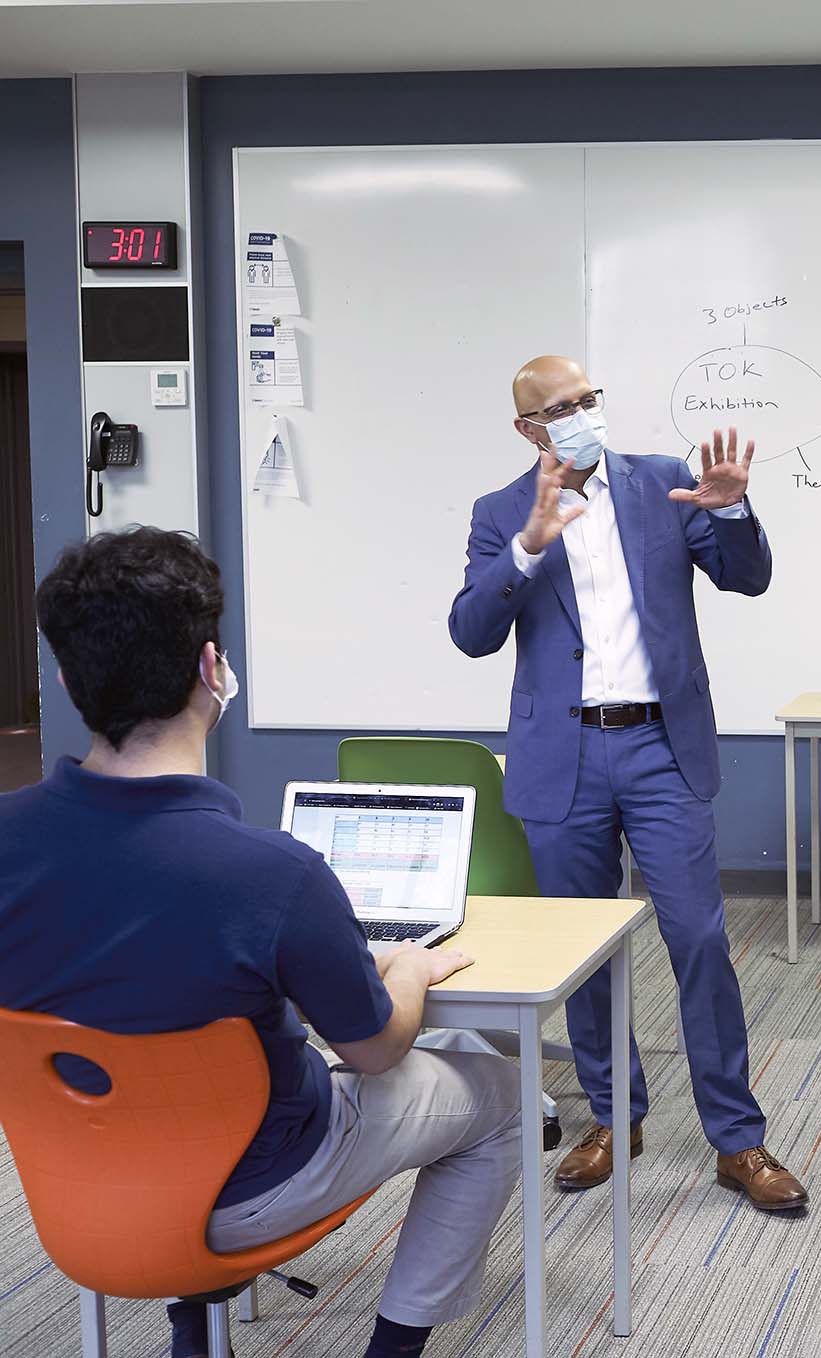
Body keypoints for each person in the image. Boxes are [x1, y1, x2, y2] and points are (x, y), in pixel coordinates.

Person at [1, 528, 519, 1358]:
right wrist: (413, 967)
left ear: (68, 678)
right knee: (500, 1092)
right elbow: (380, 1050)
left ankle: (196, 1329)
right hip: (257, 1182)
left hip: (76, 1179)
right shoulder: (275, 873)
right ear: (213, 670)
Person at [447, 356, 807, 1211]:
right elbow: (469, 631)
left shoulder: (664, 483)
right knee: (587, 950)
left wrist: (738, 510)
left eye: (588, 399)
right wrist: (529, 549)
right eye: (560, 408)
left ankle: (738, 1138)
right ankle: (614, 1115)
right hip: (560, 756)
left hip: (658, 747)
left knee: (699, 939)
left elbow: (746, 577)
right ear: (529, 429)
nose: (580, 415)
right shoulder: (501, 512)